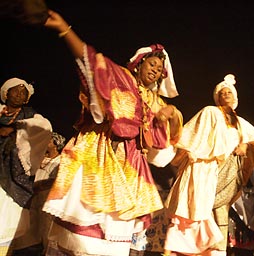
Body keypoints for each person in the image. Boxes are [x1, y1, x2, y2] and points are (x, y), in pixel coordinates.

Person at [42, 9, 183, 256]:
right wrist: (65, 30)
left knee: (114, 239)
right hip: (100, 155)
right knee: (83, 234)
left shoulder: (156, 102)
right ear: (139, 64)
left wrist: (167, 117)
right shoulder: (120, 77)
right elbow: (92, 61)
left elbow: (159, 154)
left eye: (160, 68)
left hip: (130, 169)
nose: (156, 70)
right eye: (152, 63)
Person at [163, 74, 254, 256]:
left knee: (220, 210)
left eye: (229, 92)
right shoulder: (210, 111)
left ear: (235, 98)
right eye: (222, 92)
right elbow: (189, 136)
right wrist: (188, 150)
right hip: (205, 169)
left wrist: (246, 146)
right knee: (198, 210)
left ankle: (219, 250)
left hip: (228, 173)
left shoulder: (242, 125)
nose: (225, 94)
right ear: (217, 97)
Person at [0, 77, 52, 255]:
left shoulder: (31, 116)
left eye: (24, 92)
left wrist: (16, 128)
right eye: (16, 90)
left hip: (16, 176)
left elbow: (44, 128)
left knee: (11, 221)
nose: (20, 94)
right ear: (6, 94)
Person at [12, 131, 66, 256]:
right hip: (34, 199)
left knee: (47, 229)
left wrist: (41, 186)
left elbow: (60, 180)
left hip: (49, 200)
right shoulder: (38, 159)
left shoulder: (61, 161)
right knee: (32, 228)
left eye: (48, 140)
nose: (44, 142)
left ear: (55, 144)